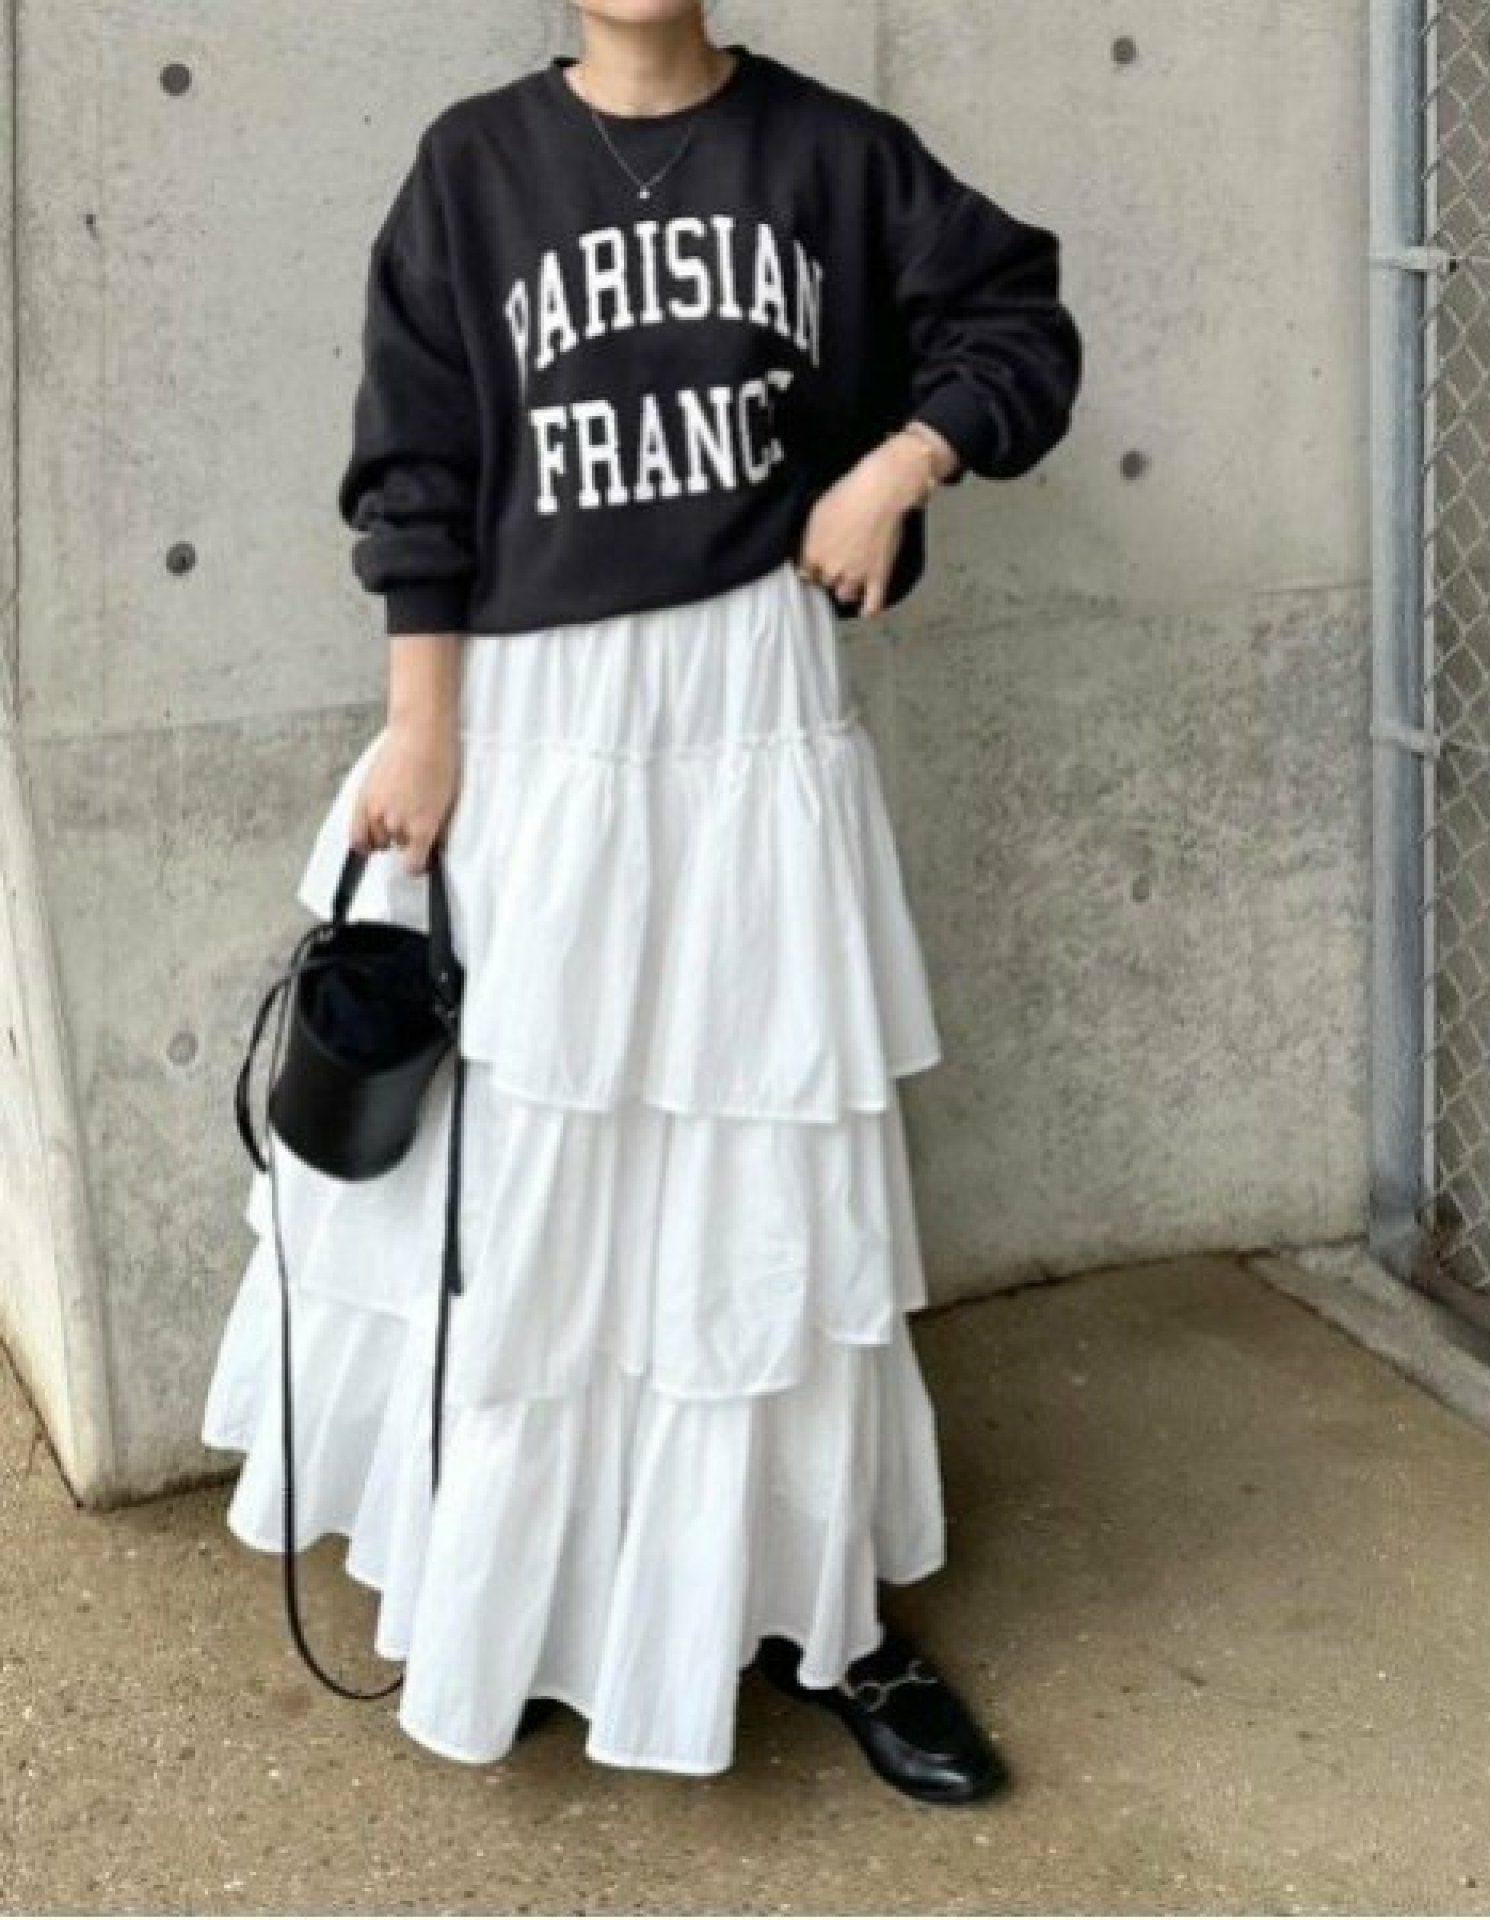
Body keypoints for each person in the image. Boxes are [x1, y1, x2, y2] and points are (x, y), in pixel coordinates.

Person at [201, 0, 1082, 1805]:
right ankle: (516, 1599)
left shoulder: (832, 154)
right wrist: (422, 728)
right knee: (534, 1180)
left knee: (757, 1177)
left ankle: (814, 1618)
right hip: (533, 728)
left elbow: (1018, 319)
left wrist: (900, 464)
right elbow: (420, 460)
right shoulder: (475, 165)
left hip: (750, 716)